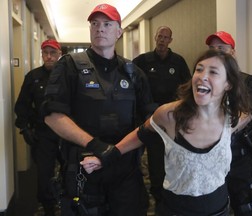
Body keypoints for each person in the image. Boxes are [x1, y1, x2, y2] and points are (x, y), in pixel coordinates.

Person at [80, 49, 252, 216]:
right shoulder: (170, 115)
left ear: (228, 84)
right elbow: (142, 134)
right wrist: (108, 156)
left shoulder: (233, 119)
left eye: (213, 72)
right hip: (176, 210)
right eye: (199, 70)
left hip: (219, 209)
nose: (202, 76)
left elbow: (248, 115)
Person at [42, 3, 156, 216]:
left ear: (119, 32)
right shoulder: (68, 66)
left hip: (125, 169)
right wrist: (95, 145)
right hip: (84, 167)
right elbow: (52, 115)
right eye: (94, 24)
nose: (99, 28)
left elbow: (150, 119)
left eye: (106, 24)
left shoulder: (133, 72)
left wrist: (118, 150)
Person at [132, 25, 191, 213]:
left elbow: (187, 87)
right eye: (160, 36)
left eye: (166, 37)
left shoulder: (178, 61)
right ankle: (158, 197)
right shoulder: (142, 61)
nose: (162, 40)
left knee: (175, 158)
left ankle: (173, 194)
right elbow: (132, 84)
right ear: (155, 37)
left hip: (174, 121)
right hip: (152, 120)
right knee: (156, 161)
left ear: (170, 40)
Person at [205, 31, 252, 216]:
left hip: (240, 161)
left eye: (221, 48)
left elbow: (246, 114)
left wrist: (221, 134)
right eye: (212, 49)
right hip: (211, 161)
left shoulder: (247, 81)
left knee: (245, 209)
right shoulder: (204, 81)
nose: (216, 52)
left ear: (233, 52)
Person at [14, 39, 63, 216]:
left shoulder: (69, 75)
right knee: (44, 175)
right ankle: (48, 207)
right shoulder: (33, 77)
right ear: (42, 54)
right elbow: (22, 105)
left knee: (71, 171)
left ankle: (70, 204)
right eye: (45, 53)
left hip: (68, 134)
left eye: (53, 53)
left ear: (60, 55)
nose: (49, 57)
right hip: (43, 134)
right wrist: (24, 128)